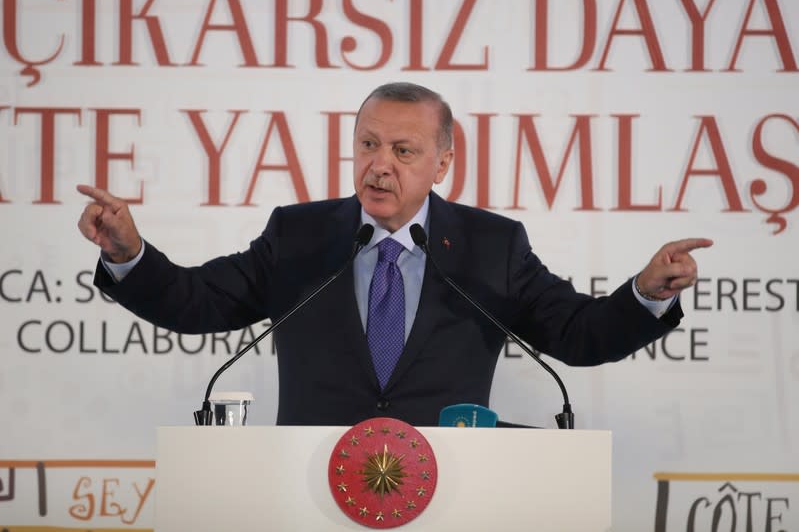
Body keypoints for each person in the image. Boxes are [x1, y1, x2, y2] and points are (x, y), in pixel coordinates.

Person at [77, 82, 712, 426]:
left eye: (403, 151)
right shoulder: (300, 235)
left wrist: (646, 293)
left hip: (449, 495)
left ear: (443, 162)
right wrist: (131, 253)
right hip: (306, 493)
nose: (380, 166)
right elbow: (199, 301)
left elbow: (576, 334)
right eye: (368, 145)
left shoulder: (492, 246)